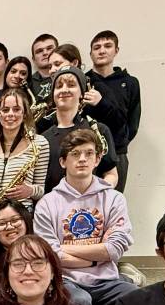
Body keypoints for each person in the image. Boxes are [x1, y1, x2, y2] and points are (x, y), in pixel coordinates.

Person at [34, 128, 137, 305]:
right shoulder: (47, 204)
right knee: (80, 301)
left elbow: (115, 249)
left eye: (89, 153)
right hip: (65, 280)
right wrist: (98, 255)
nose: (82, 159)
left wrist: (64, 247)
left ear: (97, 160)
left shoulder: (114, 199)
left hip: (107, 280)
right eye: (75, 154)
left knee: (136, 297)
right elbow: (51, 255)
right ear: (63, 161)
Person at [0, 90, 50, 241]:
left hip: (20, 219)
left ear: (25, 114)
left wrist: (29, 190)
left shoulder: (40, 144)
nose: (10, 114)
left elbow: (42, 190)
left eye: (17, 109)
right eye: (5, 110)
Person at [42, 67, 119, 193]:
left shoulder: (98, 130)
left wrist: (97, 195)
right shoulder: (43, 137)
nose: (64, 89)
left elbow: (111, 174)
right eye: (59, 86)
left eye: (71, 85)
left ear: (82, 93)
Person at [88, 30, 142, 192]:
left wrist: (118, 142)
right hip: (87, 153)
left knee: (113, 205)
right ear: (90, 53)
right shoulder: (84, 81)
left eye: (107, 46)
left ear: (116, 50)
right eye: (97, 47)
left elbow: (132, 123)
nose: (102, 50)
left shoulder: (130, 83)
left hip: (117, 153)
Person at [47, 43, 128, 143]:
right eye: (49, 66)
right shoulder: (52, 94)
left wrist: (101, 103)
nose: (51, 70)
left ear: (74, 63)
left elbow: (120, 123)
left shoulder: (97, 86)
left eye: (57, 64)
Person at [0, 199, 32, 278]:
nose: (9, 227)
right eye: (2, 223)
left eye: (15, 220)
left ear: (26, 220)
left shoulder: (42, 252)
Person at [28, 33, 59, 107]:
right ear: (34, 59)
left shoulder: (70, 76)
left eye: (49, 48)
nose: (45, 53)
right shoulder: (28, 84)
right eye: (39, 51)